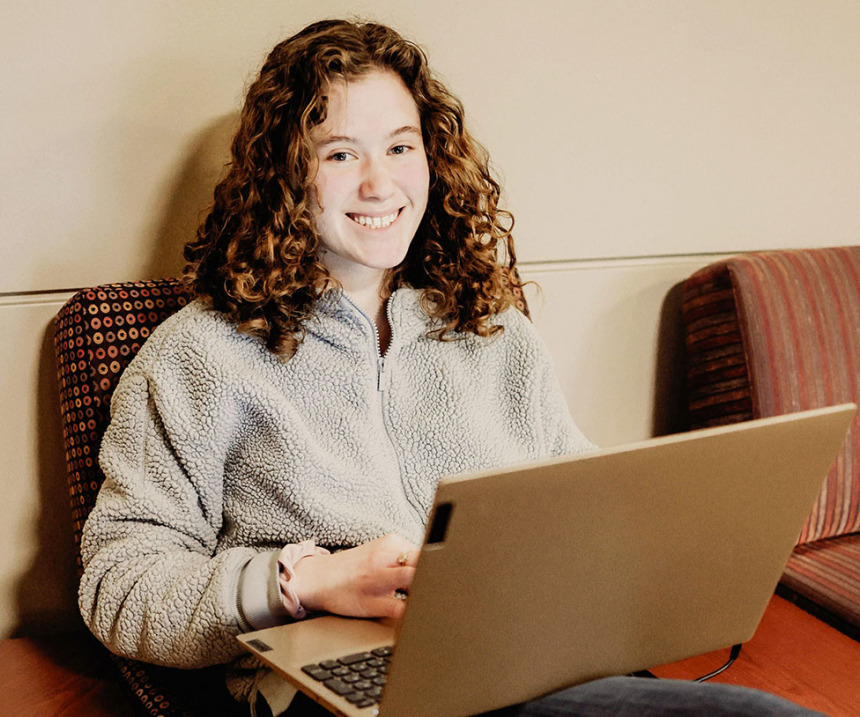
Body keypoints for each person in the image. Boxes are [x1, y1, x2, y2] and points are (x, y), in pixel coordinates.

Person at [79, 19, 819, 717]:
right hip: (338, 686)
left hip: (518, 651)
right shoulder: (200, 355)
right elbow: (120, 585)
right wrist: (305, 580)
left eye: (401, 147)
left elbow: (575, 502)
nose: (379, 183)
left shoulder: (492, 331)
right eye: (340, 153)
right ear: (285, 173)